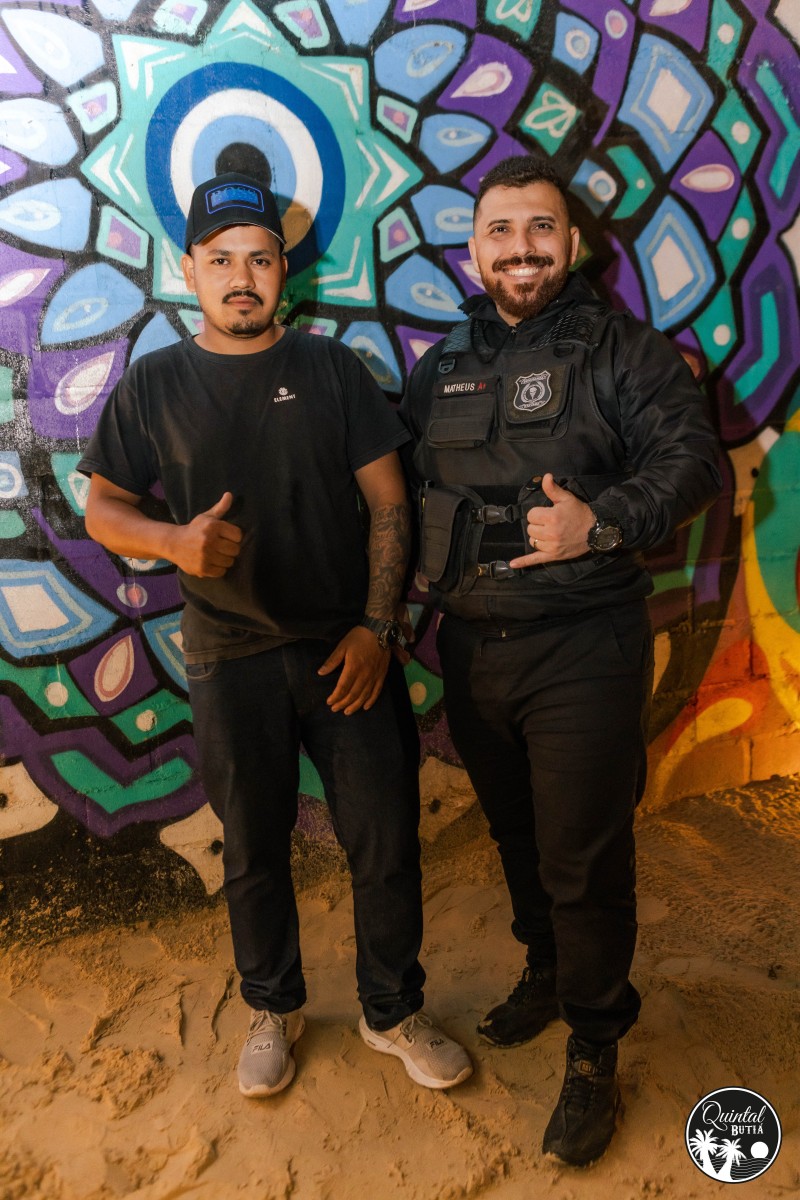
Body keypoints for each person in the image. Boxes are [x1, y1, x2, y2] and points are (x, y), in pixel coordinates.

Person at [79, 171, 472, 1098]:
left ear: (284, 272)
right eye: (221, 260)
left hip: (347, 651)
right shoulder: (154, 383)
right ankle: (274, 1006)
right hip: (227, 656)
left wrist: (377, 627)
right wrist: (175, 542)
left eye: (259, 259)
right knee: (253, 847)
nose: (241, 277)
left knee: (384, 839)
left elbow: (389, 504)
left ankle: (392, 1010)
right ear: (189, 270)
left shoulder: (333, 370)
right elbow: (103, 508)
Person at [400, 156, 721, 1165]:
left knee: (583, 860)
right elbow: (398, 491)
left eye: (540, 228)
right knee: (517, 837)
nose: (521, 249)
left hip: (582, 646)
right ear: (474, 252)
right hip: (471, 649)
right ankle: (545, 970)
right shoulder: (439, 366)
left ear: (571, 245)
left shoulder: (623, 351)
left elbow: (692, 461)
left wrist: (600, 522)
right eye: (500, 232)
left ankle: (593, 1045)